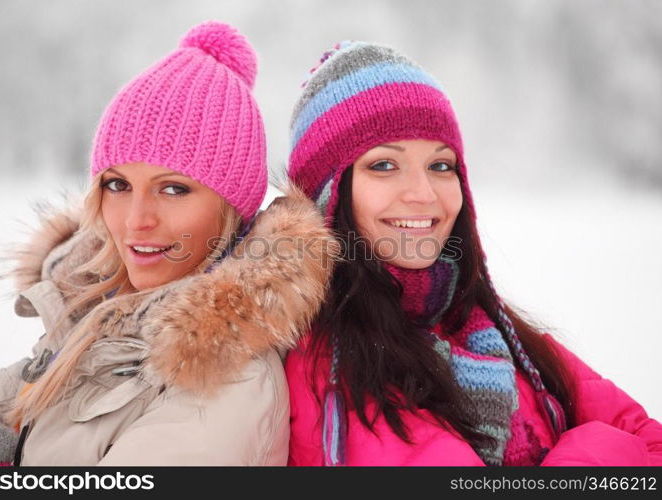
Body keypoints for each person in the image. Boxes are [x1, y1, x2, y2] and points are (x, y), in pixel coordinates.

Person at [0, 21, 338, 466]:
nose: (136, 220)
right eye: (118, 185)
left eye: (174, 189)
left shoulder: (219, 380)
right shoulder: (91, 316)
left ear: (231, 207)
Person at [284, 40, 662, 466]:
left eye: (441, 166)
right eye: (384, 165)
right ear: (327, 196)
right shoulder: (328, 367)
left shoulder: (497, 333)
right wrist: (603, 447)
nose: (424, 194)